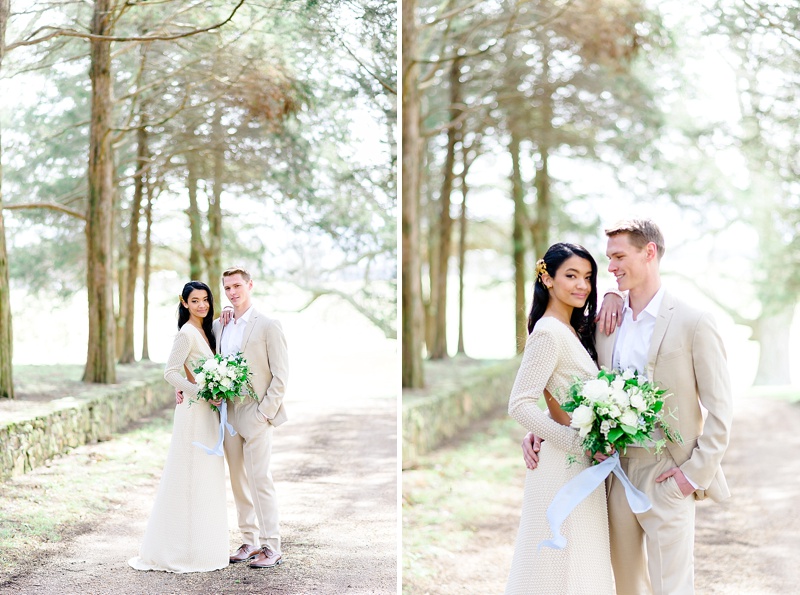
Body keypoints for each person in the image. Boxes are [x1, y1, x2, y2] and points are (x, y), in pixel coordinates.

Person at [522, 219, 733, 595]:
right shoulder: (605, 324)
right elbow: (571, 380)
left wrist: (692, 474)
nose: (612, 267)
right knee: (625, 585)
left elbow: (720, 409)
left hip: (669, 472)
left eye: (619, 256)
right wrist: (540, 426)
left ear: (648, 252)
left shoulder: (694, 322)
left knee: (673, 587)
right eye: (609, 259)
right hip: (611, 472)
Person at [505, 242, 614, 594]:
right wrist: (575, 441)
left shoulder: (572, 331)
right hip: (563, 467)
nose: (582, 285)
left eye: (588, 277)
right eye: (571, 275)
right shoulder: (548, 333)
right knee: (555, 566)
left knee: (579, 563)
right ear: (547, 278)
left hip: (583, 464)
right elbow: (520, 404)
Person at [129, 281, 229, 573]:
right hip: (193, 414)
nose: (201, 305)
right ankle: (180, 549)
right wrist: (202, 392)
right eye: (195, 300)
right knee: (188, 476)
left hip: (208, 415)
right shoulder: (186, 333)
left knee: (205, 478)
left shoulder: (206, 332)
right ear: (184, 303)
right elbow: (170, 372)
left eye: (205, 300)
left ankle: (202, 544)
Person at [215, 266, 289, 570]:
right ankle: (248, 540)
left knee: (260, 478)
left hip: (255, 411)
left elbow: (281, 376)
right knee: (237, 479)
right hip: (228, 412)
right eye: (227, 288)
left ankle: (272, 545)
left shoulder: (268, 325)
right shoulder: (221, 326)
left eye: (237, 286)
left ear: (250, 286)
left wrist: (264, 413)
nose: (233, 293)